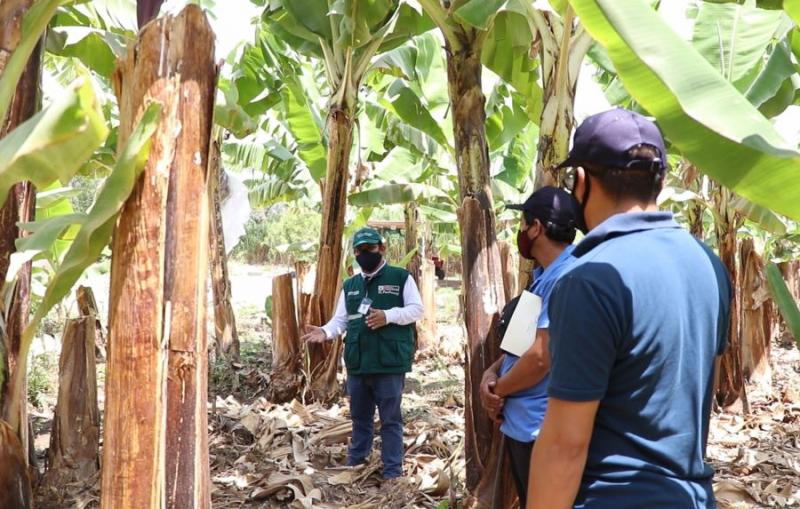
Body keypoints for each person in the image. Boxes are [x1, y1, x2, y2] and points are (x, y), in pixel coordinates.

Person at [527, 108, 732, 509]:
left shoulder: (589, 279)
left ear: (581, 182)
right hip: (692, 497)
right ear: (659, 180)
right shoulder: (709, 263)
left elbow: (566, 445)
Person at [479, 186, 579, 506]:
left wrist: (498, 391)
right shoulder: (542, 276)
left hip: (542, 429)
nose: (520, 232)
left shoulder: (565, 276)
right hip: (522, 425)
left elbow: (540, 358)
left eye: (523, 224)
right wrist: (490, 375)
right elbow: (518, 347)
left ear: (536, 228)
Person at [302, 227, 423, 480]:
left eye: (370, 248)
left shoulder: (400, 277)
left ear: (382, 248)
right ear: (354, 253)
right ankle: (356, 465)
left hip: (389, 364)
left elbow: (416, 310)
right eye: (360, 250)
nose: (365, 254)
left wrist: (388, 316)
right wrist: (324, 332)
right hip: (358, 364)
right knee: (360, 418)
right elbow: (341, 321)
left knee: (390, 420)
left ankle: (392, 472)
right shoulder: (351, 285)